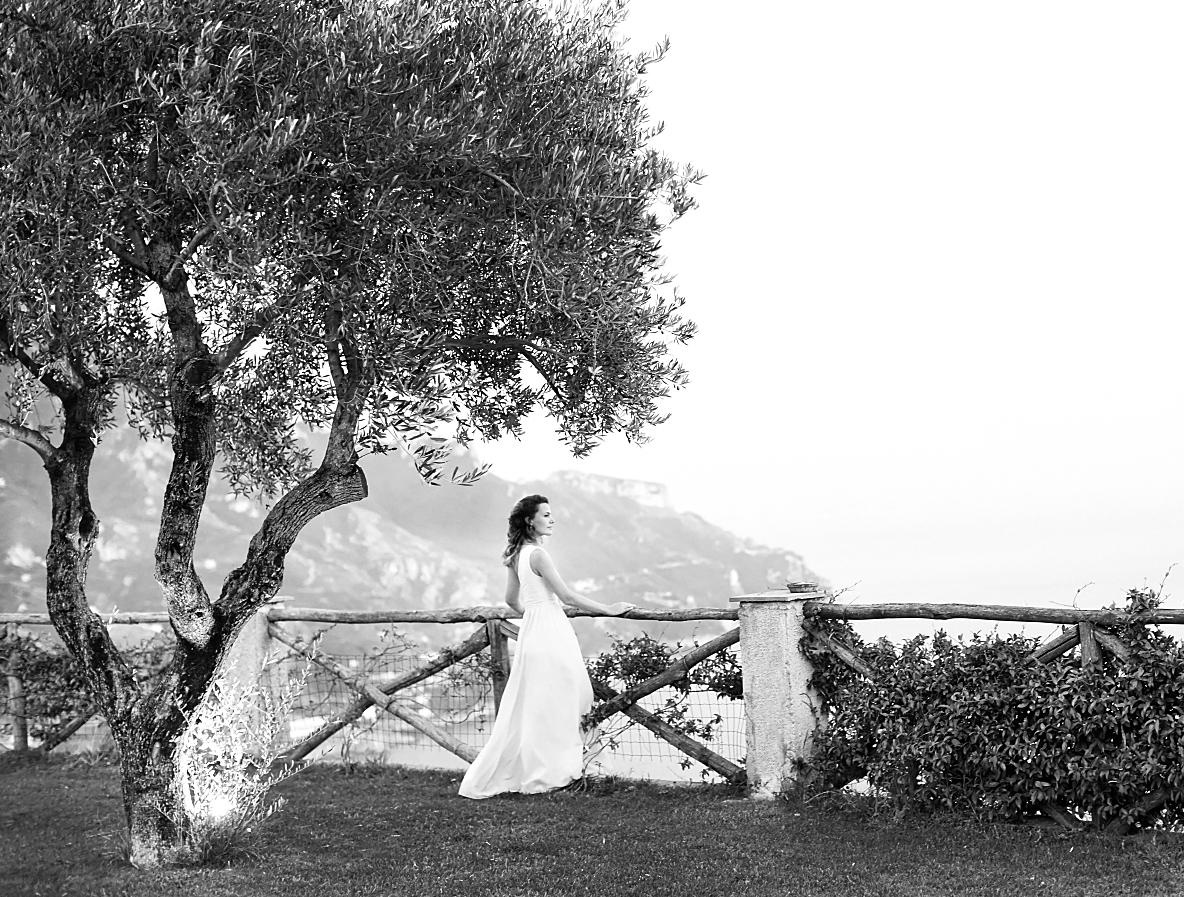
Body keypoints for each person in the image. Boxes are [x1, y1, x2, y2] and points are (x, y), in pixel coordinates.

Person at [458, 494, 636, 799]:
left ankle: (548, 767)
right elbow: (566, 596)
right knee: (569, 695)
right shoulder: (538, 555)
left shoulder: (516, 555)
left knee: (541, 702)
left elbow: (510, 601)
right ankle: (560, 769)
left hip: (533, 631)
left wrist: (534, 615)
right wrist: (609, 609)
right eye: (546, 515)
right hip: (552, 630)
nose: (552, 520)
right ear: (530, 521)